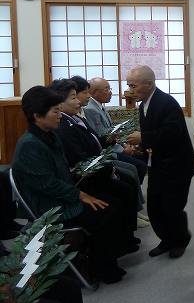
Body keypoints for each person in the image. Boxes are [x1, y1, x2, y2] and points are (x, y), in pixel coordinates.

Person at [11, 86, 131, 284]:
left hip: (62, 196)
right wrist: (81, 195)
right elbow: (48, 185)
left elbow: (60, 173)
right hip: (50, 207)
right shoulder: (30, 144)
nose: (60, 115)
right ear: (37, 116)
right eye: (55, 111)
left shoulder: (48, 135)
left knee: (112, 202)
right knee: (107, 211)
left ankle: (100, 262)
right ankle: (101, 269)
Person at [48, 79, 139, 242]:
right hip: (86, 180)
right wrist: (105, 160)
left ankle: (128, 235)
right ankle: (124, 239)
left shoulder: (75, 119)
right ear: (59, 103)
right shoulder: (63, 127)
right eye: (73, 97)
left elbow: (96, 140)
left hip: (97, 170)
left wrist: (112, 139)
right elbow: (79, 159)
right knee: (123, 191)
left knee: (128, 184)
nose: (79, 100)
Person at [125, 65, 194, 259]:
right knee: (155, 207)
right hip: (157, 163)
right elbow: (153, 138)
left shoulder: (167, 103)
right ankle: (166, 239)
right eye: (128, 85)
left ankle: (180, 240)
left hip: (177, 165)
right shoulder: (144, 105)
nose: (130, 90)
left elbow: (171, 134)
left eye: (133, 85)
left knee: (172, 207)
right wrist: (141, 147)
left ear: (148, 84)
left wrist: (143, 138)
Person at [84, 77, 148, 183]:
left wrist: (125, 145)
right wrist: (123, 149)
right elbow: (103, 137)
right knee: (140, 165)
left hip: (114, 146)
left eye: (110, 89)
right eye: (107, 89)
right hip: (108, 152)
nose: (110, 92)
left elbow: (112, 133)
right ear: (94, 92)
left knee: (143, 158)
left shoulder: (99, 106)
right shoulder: (91, 109)